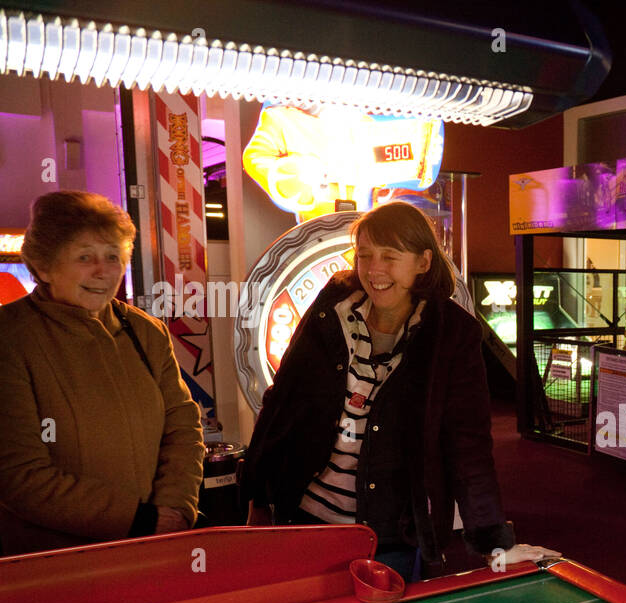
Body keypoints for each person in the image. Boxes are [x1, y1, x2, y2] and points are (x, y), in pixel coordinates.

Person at [240, 201, 556, 580]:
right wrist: (256, 494)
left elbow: (468, 447)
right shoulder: (332, 306)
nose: (374, 269)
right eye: (365, 255)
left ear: (423, 262)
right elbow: (281, 402)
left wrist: (495, 543)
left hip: (389, 535)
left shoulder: (453, 335)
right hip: (304, 519)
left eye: (390, 256)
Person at [0, 191, 204, 556]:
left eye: (113, 256)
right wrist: (138, 519)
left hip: (155, 547)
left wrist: (173, 510)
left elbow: (183, 425)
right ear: (44, 266)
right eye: (84, 257)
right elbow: (19, 476)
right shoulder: (10, 337)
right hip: (57, 566)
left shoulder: (145, 331)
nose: (104, 270)